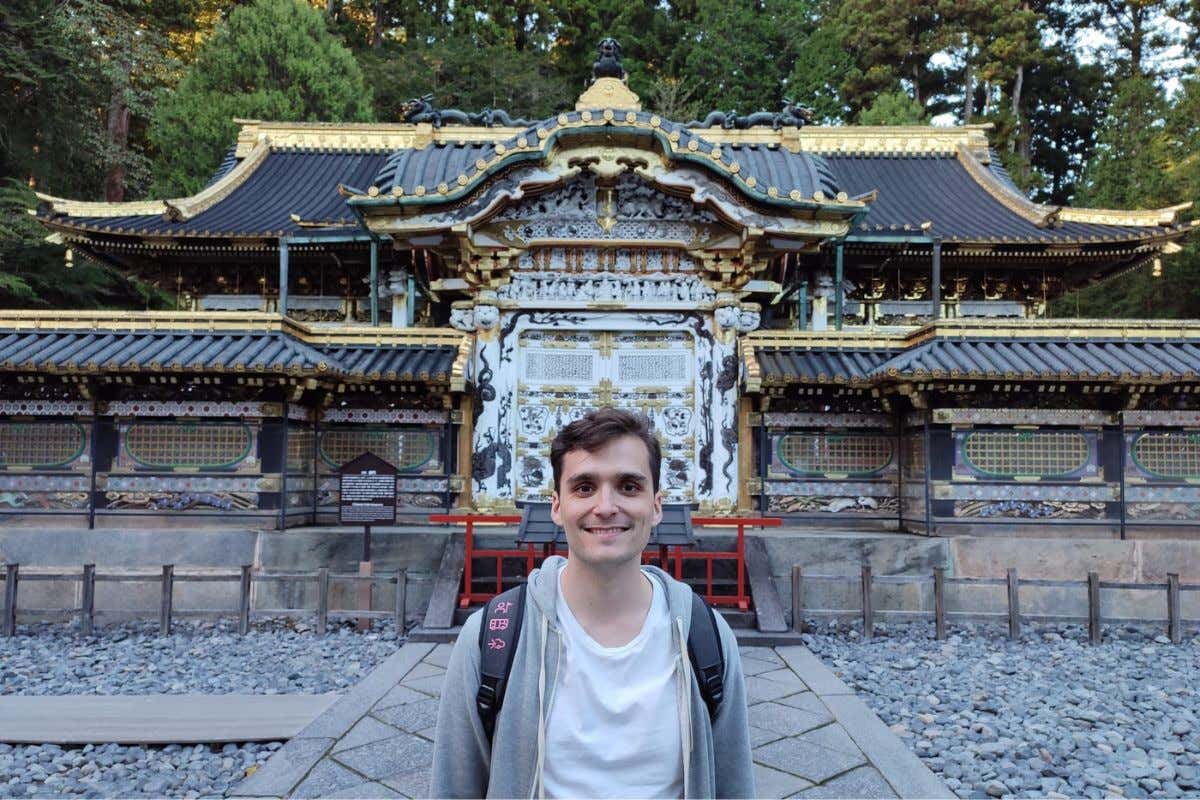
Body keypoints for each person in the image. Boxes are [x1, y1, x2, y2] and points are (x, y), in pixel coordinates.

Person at [431, 408, 755, 799]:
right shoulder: (491, 640)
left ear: (656, 506)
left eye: (628, 487)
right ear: (556, 505)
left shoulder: (707, 638)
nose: (605, 506)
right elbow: (454, 787)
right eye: (584, 487)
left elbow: (733, 786)